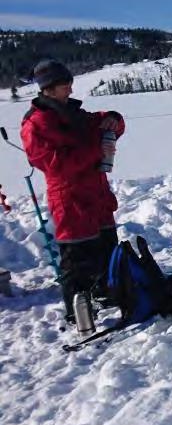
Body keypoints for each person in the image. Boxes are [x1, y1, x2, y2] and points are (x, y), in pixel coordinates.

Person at [20, 60, 125, 322]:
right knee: (77, 260)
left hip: (97, 195)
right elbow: (55, 165)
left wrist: (114, 119)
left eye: (69, 82)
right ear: (48, 89)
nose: (70, 88)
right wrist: (96, 151)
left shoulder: (74, 113)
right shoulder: (36, 124)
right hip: (70, 199)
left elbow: (104, 123)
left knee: (107, 250)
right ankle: (77, 313)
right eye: (64, 84)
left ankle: (107, 294)